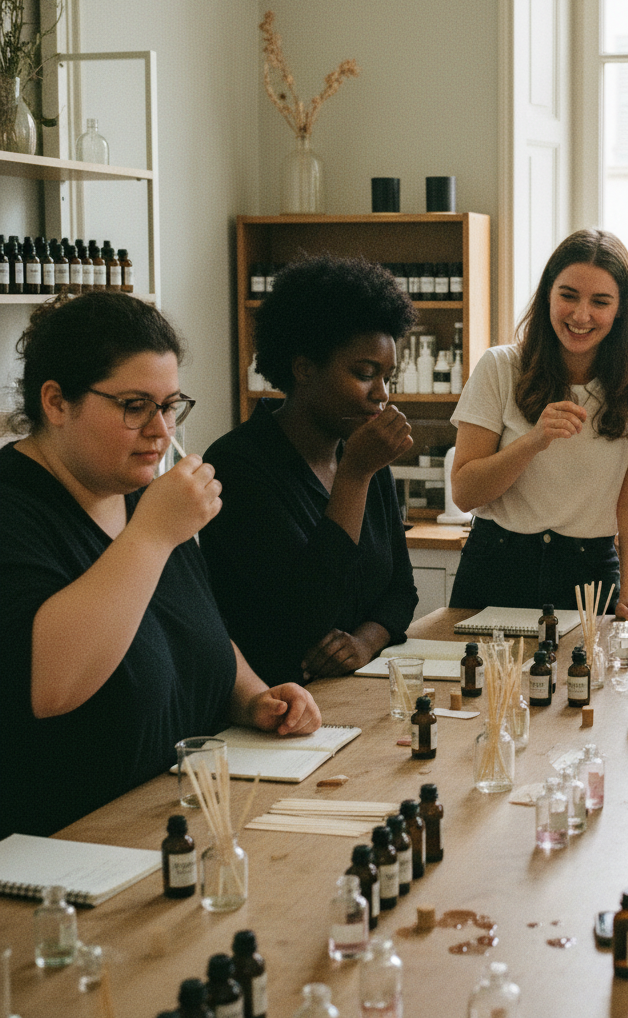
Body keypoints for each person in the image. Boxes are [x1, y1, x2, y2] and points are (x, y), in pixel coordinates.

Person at [0, 293, 320, 840]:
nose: (161, 431)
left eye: (169, 405)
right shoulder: (17, 507)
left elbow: (189, 626)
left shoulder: (135, 493)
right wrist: (151, 536)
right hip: (66, 858)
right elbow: (50, 685)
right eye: (134, 406)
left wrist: (250, 695)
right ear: (55, 402)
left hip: (172, 823)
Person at [201, 256, 418, 684]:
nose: (381, 394)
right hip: (274, 705)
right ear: (304, 369)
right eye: (365, 373)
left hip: (353, 692)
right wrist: (354, 477)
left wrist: (364, 643)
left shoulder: (362, 455)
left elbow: (401, 591)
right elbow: (303, 619)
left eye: (387, 376)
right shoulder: (237, 464)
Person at [448, 229, 628, 627]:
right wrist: (533, 440)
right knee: (479, 686)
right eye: (568, 295)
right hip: (497, 562)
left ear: (621, 309)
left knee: (592, 688)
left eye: (600, 302)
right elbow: (466, 493)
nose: (581, 315)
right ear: (547, 296)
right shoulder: (500, 368)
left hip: (589, 572)